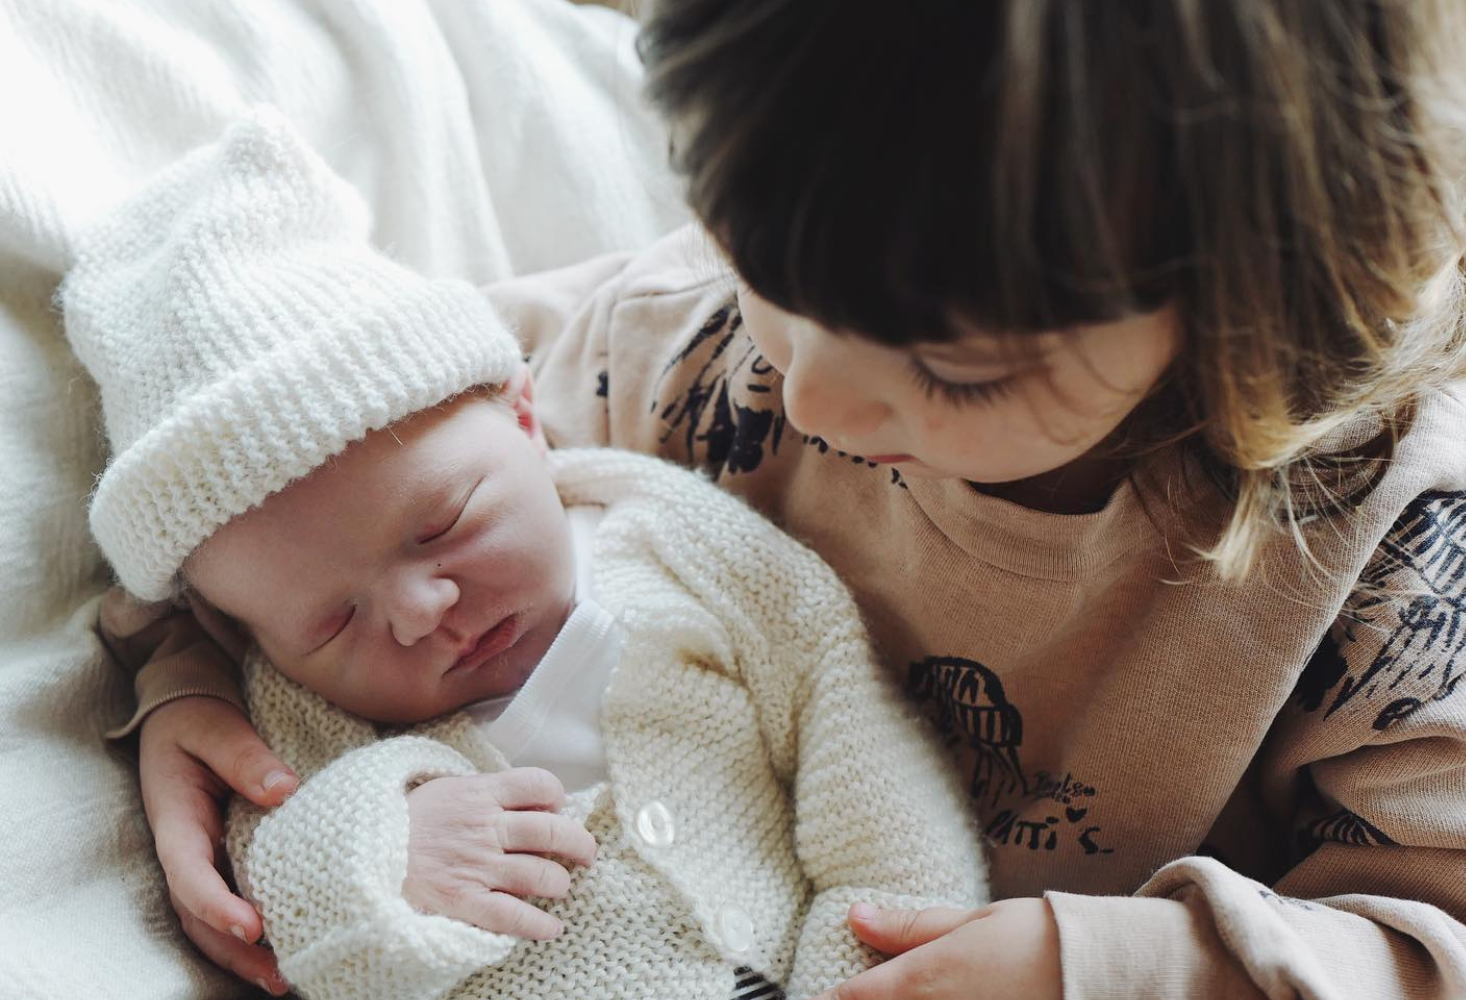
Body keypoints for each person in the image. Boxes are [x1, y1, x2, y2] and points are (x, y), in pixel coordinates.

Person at [110, 2, 1466, 998]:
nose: (814, 400)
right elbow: (304, 467)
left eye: (953, 369)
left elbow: (1464, 941)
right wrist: (208, 666)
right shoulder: (688, 337)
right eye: (756, 268)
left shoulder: (1403, 558)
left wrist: (1118, 966)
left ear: (1256, 305)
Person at [75, 110, 987, 1000]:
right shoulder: (303, 720)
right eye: (333, 620)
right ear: (242, 632)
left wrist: (869, 969)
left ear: (522, 417)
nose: (420, 610)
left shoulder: (688, 549)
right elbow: (274, 899)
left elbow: (874, 788)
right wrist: (381, 854)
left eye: (441, 526)